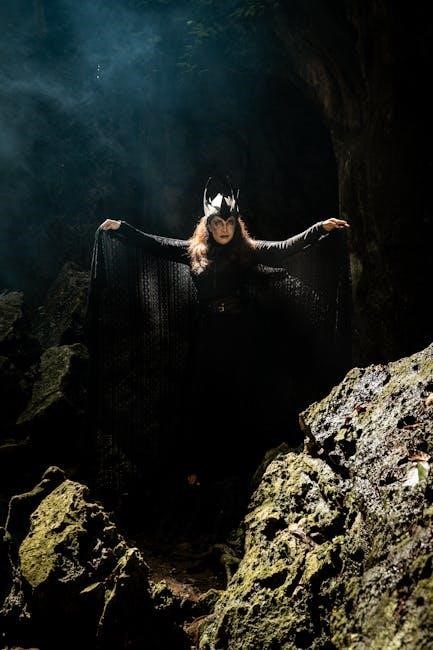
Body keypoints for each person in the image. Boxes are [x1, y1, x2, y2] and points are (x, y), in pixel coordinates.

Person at [96, 178, 349, 491]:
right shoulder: (194, 251)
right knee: (203, 397)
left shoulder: (248, 251)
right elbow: (154, 244)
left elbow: (284, 248)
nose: (224, 228)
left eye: (229, 222)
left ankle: (254, 462)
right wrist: (122, 229)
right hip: (210, 335)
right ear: (209, 225)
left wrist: (320, 229)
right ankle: (200, 468)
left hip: (243, 333)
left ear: (236, 224)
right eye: (218, 223)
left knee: (249, 392)